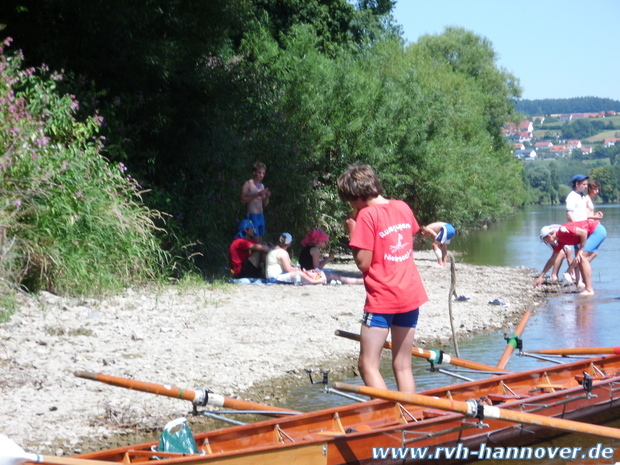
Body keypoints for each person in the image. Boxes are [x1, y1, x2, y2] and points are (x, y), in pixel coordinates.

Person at [337, 163, 428, 393]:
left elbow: (363, 263)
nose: (350, 206)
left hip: (382, 299)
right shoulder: (402, 206)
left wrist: (352, 231)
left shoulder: (367, 215)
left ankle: (387, 415)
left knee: (367, 365)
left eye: (350, 202)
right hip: (410, 294)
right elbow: (409, 234)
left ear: (356, 197)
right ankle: (410, 419)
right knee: (402, 365)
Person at [534, 219, 607, 296]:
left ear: (549, 236)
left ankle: (589, 289)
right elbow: (553, 259)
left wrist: (581, 250)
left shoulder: (563, 230)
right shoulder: (558, 242)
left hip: (597, 230)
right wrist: (540, 276)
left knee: (582, 258)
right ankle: (587, 286)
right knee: (580, 260)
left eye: (545, 240)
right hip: (592, 234)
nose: (546, 243)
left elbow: (583, 233)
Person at [298, 229, 363, 284]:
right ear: (319, 241)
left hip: (305, 273)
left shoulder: (308, 248)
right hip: (310, 275)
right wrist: (327, 260)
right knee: (336, 277)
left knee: (332, 274)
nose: (326, 244)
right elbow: (317, 269)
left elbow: (312, 265)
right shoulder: (315, 250)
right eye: (325, 242)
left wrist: (325, 260)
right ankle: (360, 281)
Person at [240, 162, 271, 243]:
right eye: (259, 173)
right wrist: (257, 195)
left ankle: (259, 255)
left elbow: (264, 204)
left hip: (261, 215)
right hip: (252, 215)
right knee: (256, 242)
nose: (261, 175)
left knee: (260, 242)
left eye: (263, 173)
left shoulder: (262, 186)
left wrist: (267, 196)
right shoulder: (248, 184)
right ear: (254, 172)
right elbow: (242, 200)